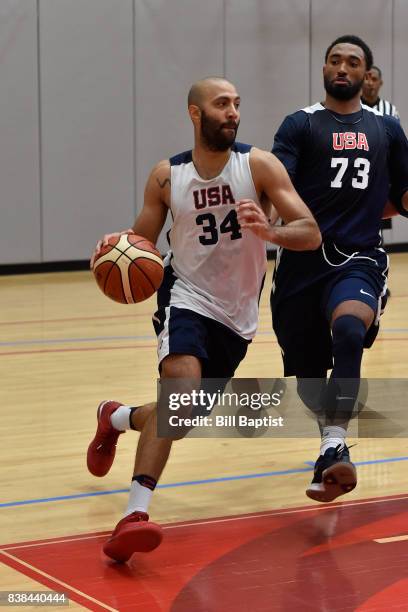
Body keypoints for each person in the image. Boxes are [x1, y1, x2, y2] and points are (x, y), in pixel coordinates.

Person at [87, 77, 321, 562]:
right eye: (222, 104)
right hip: (186, 295)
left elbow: (310, 232)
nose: (233, 112)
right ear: (196, 114)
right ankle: (134, 515)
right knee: (182, 387)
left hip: (237, 317)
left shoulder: (258, 165)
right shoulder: (167, 177)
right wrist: (116, 251)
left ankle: (115, 417)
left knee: (182, 413)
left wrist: (271, 230)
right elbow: (141, 246)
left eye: (237, 104)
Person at [265, 35, 408, 503]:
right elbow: (274, 187)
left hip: (359, 255)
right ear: (325, 68)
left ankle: (331, 449)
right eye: (335, 60)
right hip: (301, 266)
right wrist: (262, 219)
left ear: (367, 74)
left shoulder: (386, 129)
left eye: (353, 62)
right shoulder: (300, 125)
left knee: (348, 329)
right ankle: (332, 439)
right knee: (308, 383)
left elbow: (403, 195)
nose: (342, 67)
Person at [361, 65, 401, 296]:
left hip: (380, 179)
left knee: (377, 232)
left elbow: (394, 146)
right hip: (356, 178)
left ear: (380, 83)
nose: (369, 83)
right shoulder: (351, 107)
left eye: (374, 78)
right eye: (366, 78)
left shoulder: (389, 110)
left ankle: (379, 279)